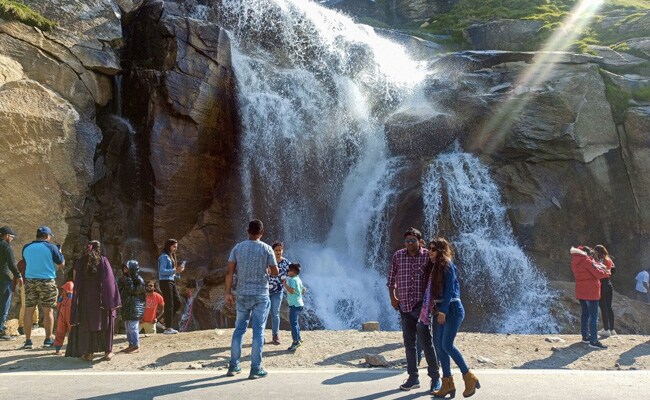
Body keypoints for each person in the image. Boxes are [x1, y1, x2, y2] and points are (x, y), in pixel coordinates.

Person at [387, 227, 440, 393]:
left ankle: (435, 378)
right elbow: (390, 279)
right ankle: (413, 378)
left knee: (426, 342)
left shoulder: (427, 256)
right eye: (407, 240)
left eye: (413, 240)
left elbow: (438, 275)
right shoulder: (398, 255)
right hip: (404, 305)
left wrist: (435, 302)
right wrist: (393, 298)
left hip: (421, 306)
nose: (410, 243)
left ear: (420, 241)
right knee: (409, 344)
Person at [225, 219, 279, 379]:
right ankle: (255, 368)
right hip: (261, 295)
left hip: (242, 294)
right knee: (258, 331)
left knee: (239, 330)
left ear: (248, 231)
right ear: (261, 233)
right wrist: (268, 270)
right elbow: (275, 272)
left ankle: (234, 366)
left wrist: (227, 292)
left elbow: (229, 272)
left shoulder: (238, 247)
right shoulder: (267, 249)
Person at [426, 237, 480, 399]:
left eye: (433, 249)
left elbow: (449, 290)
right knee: (439, 346)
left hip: (452, 309)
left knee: (447, 345)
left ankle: (469, 376)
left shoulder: (447, 264)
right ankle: (447, 383)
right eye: (429, 249)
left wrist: (442, 311)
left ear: (441, 250)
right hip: (440, 309)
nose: (430, 252)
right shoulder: (435, 266)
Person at [65, 240, 121, 361]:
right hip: (101, 298)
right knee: (106, 323)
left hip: (86, 298)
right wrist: (112, 300)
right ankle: (108, 352)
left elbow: (76, 280)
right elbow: (109, 282)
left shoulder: (80, 262)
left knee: (88, 324)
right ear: (99, 249)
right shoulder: (103, 261)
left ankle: (89, 353)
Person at [22, 226, 65, 349]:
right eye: (50, 236)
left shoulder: (26, 247)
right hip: (47, 281)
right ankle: (47, 339)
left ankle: (28, 341)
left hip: (30, 281)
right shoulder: (51, 247)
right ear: (47, 236)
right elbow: (62, 264)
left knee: (28, 310)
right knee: (48, 311)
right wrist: (60, 253)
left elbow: (27, 261)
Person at [570, 246, 610, 350]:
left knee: (585, 314)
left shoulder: (575, 261)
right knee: (593, 317)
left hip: (581, 291)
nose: (592, 255)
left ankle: (585, 336)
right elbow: (598, 274)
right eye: (591, 254)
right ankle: (594, 340)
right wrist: (605, 271)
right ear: (587, 253)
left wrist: (595, 264)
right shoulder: (587, 262)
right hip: (591, 292)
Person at [119, 260, 145, 353]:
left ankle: (136, 345)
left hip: (135, 308)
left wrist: (128, 280)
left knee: (133, 327)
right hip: (127, 307)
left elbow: (134, 291)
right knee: (128, 327)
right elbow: (120, 290)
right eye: (124, 268)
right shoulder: (125, 279)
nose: (125, 270)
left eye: (127, 268)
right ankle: (131, 344)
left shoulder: (139, 280)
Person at [158, 239, 184, 334]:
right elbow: (162, 271)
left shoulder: (171, 256)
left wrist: (178, 272)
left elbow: (172, 272)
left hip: (171, 281)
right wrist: (175, 270)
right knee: (169, 303)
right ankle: (168, 328)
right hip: (165, 281)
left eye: (176, 247)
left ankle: (161, 320)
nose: (176, 248)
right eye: (174, 246)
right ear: (169, 246)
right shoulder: (164, 257)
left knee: (178, 302)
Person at [0, 226, 22, 340]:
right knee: (3, 304)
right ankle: (0, 330)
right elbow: (12, 263)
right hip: (3, 278)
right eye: (12, 237)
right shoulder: (5, 246)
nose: (12, 239)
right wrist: (18, 276)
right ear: (7, 236)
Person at [268, 241, 289, 345]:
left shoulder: (286, 263)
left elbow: (293, 274)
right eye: (276, 250)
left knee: (275, 313)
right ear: (273, 251)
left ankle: (275, 335)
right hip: (265, 292)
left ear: (282, 250)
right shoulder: (268, 261)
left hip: (278, 291)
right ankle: (260, 336)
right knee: (262, 313)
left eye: (280, 250)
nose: (278, 252)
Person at [282, 263, 306, 352]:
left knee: (293, 324)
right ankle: (299, 338)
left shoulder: (292, 280)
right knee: (295, 323)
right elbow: (303, 290)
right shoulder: (298, 279)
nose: (287, 272)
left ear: (293, 272)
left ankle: (295, 342)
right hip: (299, 304)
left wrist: (285, 284)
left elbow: (291, 291)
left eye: (289, 270)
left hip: (294, 305)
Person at [594, 245, 617, 337]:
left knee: (603, 306)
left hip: (601, 284)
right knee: (609, 307)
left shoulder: (599, 260)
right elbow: (614, 270)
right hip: (608, 283)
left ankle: (606, 329)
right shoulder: (608, 259)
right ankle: (612, 329)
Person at [15, 259, 38, 336]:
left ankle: (27, 324)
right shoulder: (33, 261)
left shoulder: (22, 262)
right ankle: (24, 325)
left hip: (28, 284)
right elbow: (16, 273)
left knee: (26, 305)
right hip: (30, 284)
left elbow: (16, 273)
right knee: (28, 305)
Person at [53, 281, 73, 354]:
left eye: (64, 290)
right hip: (61, 318)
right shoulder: (62, 298)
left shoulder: (72, 298)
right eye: (62, 290)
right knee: (59, 332)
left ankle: (72, 348)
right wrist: (60, 299)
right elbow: (58, 307)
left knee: (72, 333)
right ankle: (57, 348)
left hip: (70, 319)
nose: (62, 291)